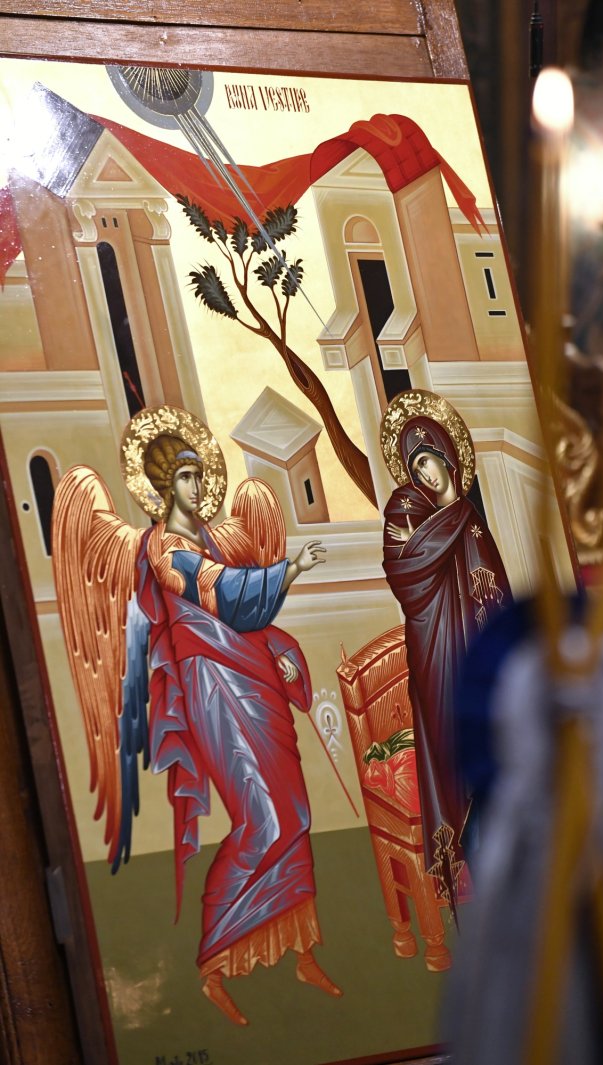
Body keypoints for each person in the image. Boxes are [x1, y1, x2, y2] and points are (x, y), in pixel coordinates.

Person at [52, 408, 341, 1027]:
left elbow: (247, 619)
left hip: (253, 680)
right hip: (213, 688)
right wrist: (290, 568)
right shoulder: (165, 549)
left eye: (197, 475)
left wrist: (278, 649)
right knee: (261, 818)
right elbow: (224, 597)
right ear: (164, 486)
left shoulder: (212, 539)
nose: (194, 485)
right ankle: (215, 961)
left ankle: (302, 950)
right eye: (183, 476)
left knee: (295, 811)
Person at [380, 391, 510, 908]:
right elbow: (403, 571)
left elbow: (496, 593)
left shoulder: (469, 518)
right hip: (435, 659)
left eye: (429, 460)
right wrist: (437, 528)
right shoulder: (407, 507)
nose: (426, 474)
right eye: (416, 467)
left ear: (447, 456)